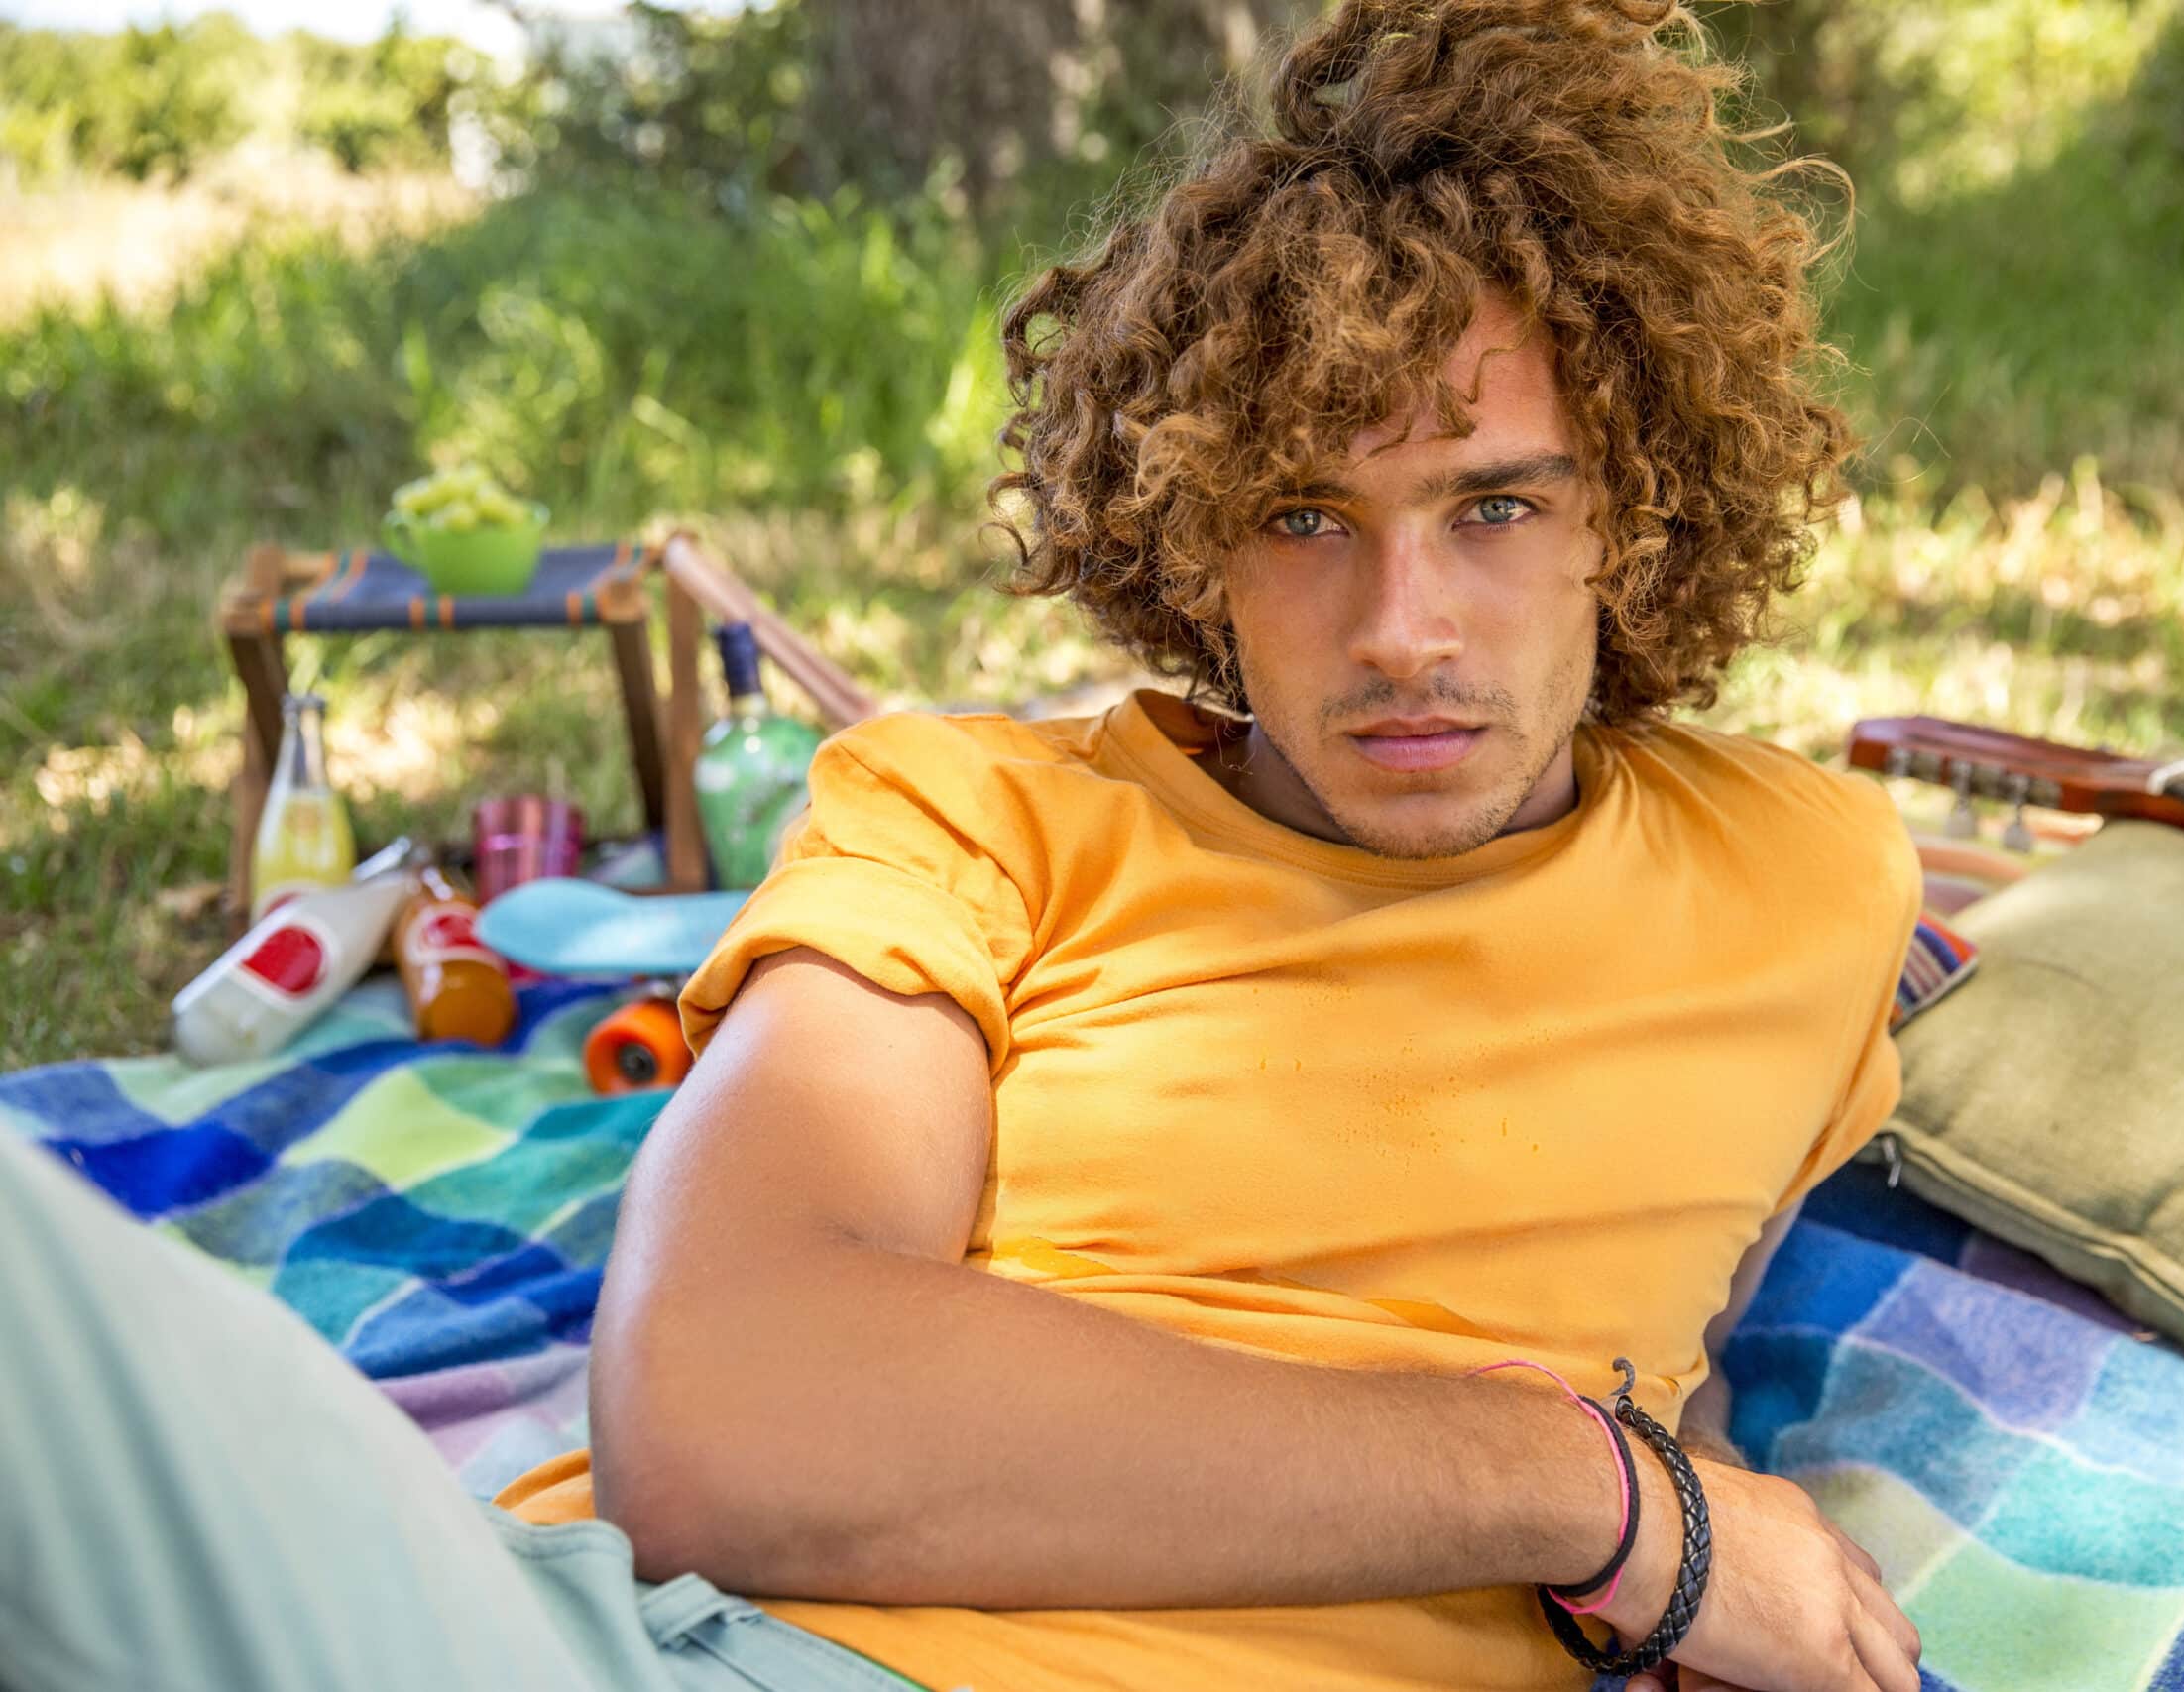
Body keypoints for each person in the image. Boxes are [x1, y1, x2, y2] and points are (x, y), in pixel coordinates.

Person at [0, 3, 1923, 1691]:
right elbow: (725, 1402)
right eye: (1303, 518)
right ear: (1187, 538)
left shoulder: (1811, 880)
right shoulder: (965, 813)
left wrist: (1692, 1491)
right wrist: (1583, 1492)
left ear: (1636, 519)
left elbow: (1720, 1268)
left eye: (1492, 506)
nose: (1402, 622)